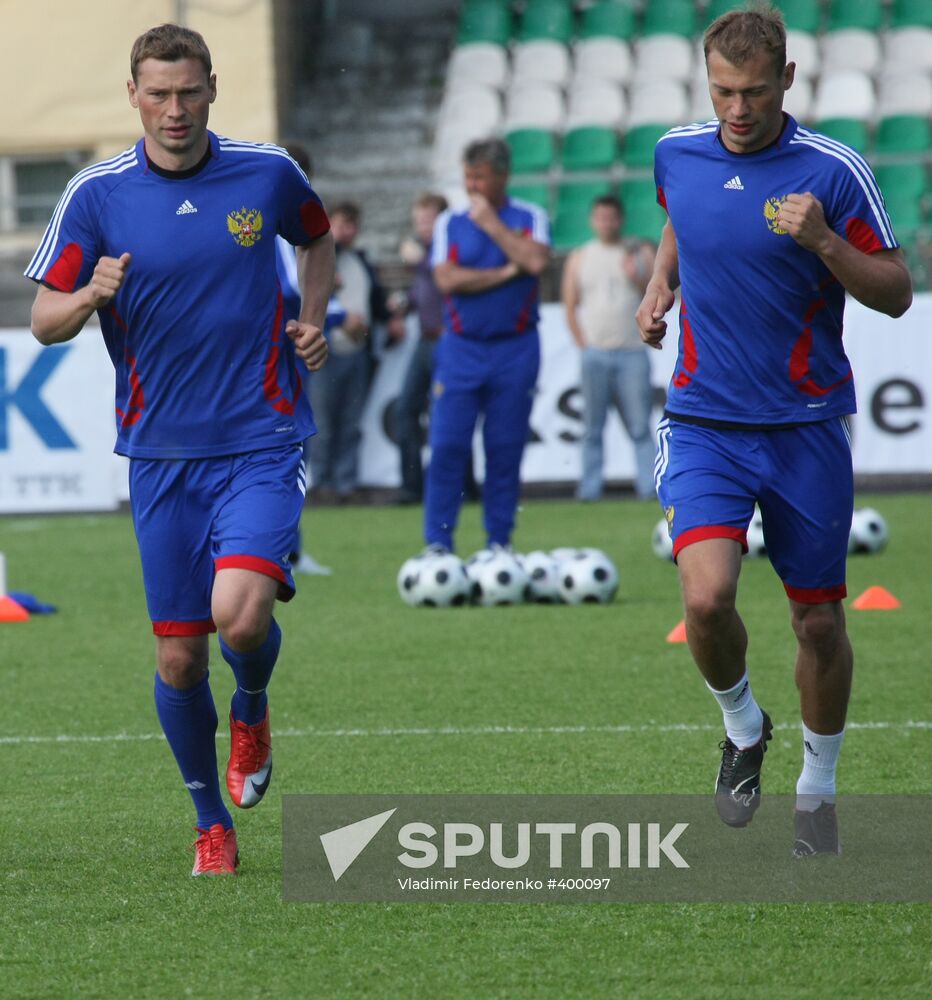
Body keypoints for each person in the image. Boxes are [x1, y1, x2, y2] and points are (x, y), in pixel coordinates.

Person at [25, 23, 336, 876]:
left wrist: (311, 316)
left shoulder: (266, 172)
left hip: (261, 437)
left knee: (240, 615)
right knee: (176, 652)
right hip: (160, 457)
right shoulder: (97, 194)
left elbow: (317, 236)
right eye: (157, 93)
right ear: (133, 95)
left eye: (188, 90)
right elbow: (42, 322)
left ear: (211, 88)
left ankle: (254, 705)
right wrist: (88, 291)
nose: (174, 109)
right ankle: (211, 824)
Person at [635, 3, 912, 856]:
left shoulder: (834, 172)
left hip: (806, 426)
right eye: (722, 91)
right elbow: (681, 217)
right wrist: (659, 286)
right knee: (707, 596)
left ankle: (818, 791)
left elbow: (897, 290)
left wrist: (826, 240)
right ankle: (744, 727)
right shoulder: (676, 152)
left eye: (754, 92)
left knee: (820, 624)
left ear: (786, 80)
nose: (738, 109)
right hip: (704, 419)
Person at [425, 137, 550, 553]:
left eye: (479, 176)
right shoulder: (449, 222)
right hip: (461, 348)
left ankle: (499, 543)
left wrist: (493, 227)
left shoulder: (530, 216)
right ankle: (438, 544)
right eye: (467, 176)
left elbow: (534, 262)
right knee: (447, 446)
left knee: (504, 448)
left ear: (502, 175)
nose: (471, 185)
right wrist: (502, 274)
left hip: (516, 348)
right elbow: (446, 280)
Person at [560, 194, 657, 501]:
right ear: (593, 220)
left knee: (640, 426)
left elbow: (657, 293)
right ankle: (589, 490)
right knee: (592, 427)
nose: (606, 223)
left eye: (611, 217)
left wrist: (637, 274)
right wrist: (583, 343)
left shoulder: (639, 251)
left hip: (632, 351)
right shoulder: (580, 256)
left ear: (621, 219)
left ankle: (649, 488)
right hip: (596, 353)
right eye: (601, 217)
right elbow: (570, 304)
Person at [307, 201, 392, 503]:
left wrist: (390, 315)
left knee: (351, 422)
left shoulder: (360, 262)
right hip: (324, 350)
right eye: (342, 224)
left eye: (352, 225)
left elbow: (377, 303)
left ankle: (345, 483)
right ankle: (321, 483)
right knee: (323, 422)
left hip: (357, 351)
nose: (347, 231)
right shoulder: (315, 256)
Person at [274, 141, 332, 575]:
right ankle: (285, 551)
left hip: (292, 352)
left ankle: (288, 549)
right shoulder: (272, 229)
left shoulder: (305, 228)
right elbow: (291, 288)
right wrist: (339, 315)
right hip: (277, 355)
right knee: (287, 451)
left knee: (293, 451)